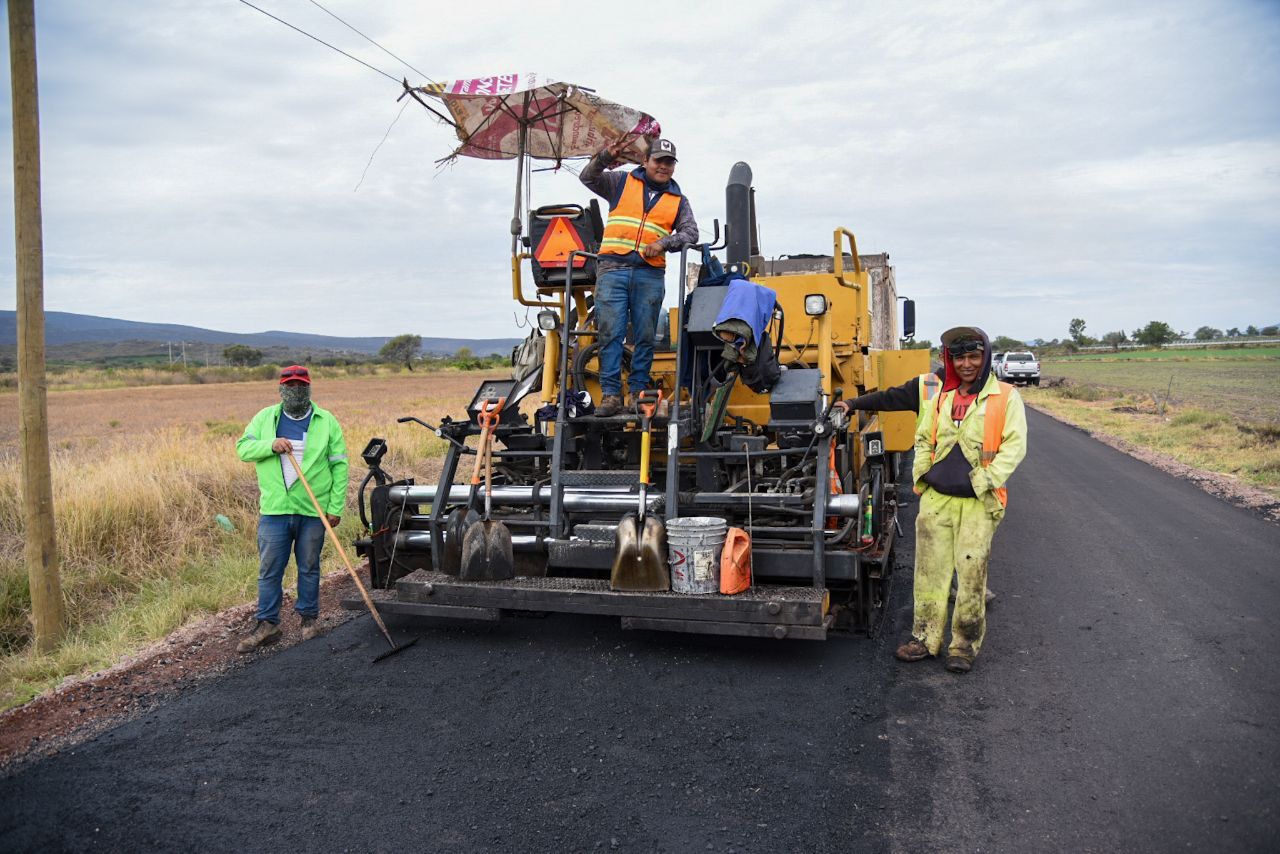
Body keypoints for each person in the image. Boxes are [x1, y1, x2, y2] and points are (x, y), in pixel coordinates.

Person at [840, 327, 1027, 673]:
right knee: (929, 573)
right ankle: (925, 639)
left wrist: (983, 482)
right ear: (949, 359)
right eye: (960, 357)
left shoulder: (1005, 396)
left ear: (985, 357)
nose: (967, 364)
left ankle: (963, 646)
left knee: (971, 576)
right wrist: (921, 475)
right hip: (937, 499)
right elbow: (923, 435)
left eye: (974, 356)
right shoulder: (939, 393)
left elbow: (1014, 447)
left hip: (977, 501)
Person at [580, 137, 699, 417]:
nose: (664, 167)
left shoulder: (678, 201)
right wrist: (606, 156)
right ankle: (610, 396)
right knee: (611, 333)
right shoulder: (620, 182)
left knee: (645, 335)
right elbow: (588, 177)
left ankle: (637, 393)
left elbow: (691, 233)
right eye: (659, 161)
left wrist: (664, 243)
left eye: (669, 163)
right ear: (645, 162)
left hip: (650, 273)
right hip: (612, 269)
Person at [235, 365, 348, 652]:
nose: (296, 389)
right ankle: (268, 624)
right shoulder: (265, 418)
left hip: (313, 509)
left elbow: (339, 466)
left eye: (301, 385)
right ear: (281, 389)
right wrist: (269, 445)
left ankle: (309, 621)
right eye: (290, 385)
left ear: (308, 388)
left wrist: (334, 507)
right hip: (275, 510)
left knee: (309, 567)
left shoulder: (326, 421)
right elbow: (242, 449)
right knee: (270, 570)